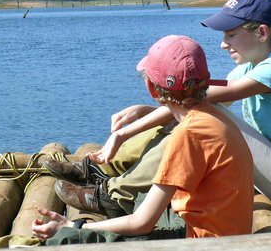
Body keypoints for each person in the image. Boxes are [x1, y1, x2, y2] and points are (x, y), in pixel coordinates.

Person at [99, 0, 271, 211]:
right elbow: (186, 103)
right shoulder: (254, 67)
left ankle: (116, 195)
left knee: (204, 115)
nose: (223, 44)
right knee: (194, 116)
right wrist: (147, 110)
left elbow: (196, 101)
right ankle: (110, 169)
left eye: (231, 35)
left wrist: (123, 133)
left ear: (262, 32)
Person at [32, 35, 254, 241]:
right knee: (141, 199)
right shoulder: (214, 116)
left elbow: (142, 224)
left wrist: (74, 226)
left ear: (152, 89)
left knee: (68, 239)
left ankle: (87, 215)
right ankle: (111, 198)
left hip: (205, 243)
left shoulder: (188, 133)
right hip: (225, 232)